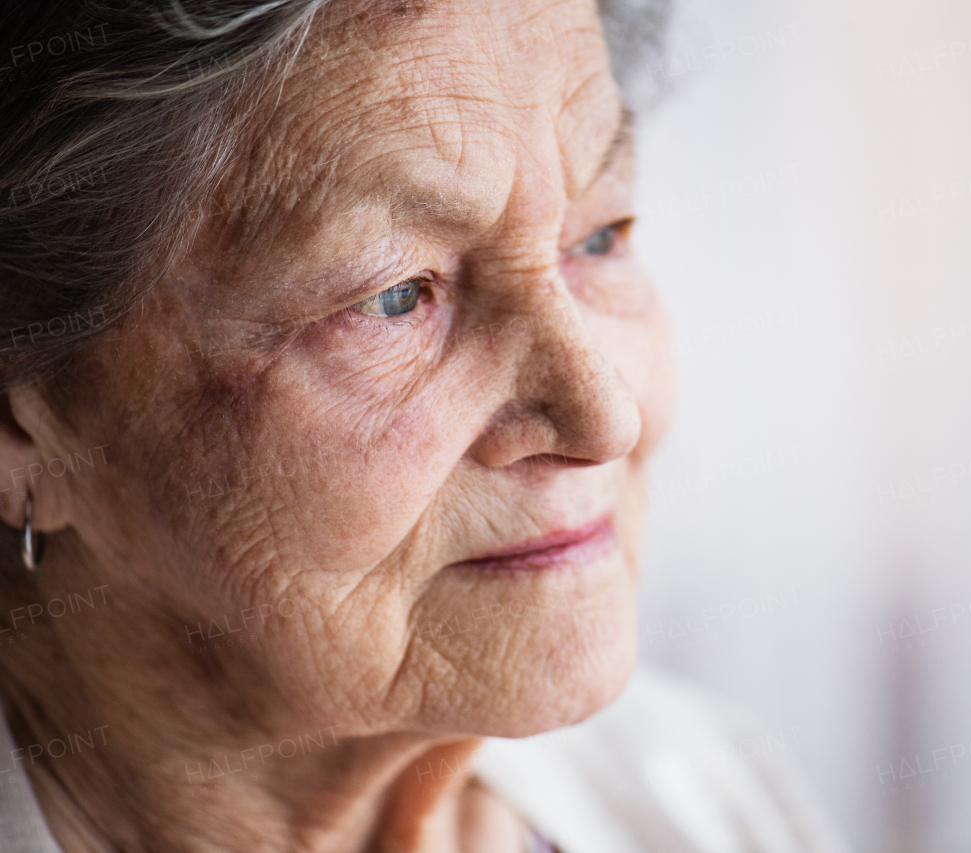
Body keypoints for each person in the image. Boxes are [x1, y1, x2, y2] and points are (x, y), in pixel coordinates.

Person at [0, 1, 847, 851]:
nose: (604, 417)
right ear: (20, 417)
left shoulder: (706, 801)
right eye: (396, 293)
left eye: (598, 239)